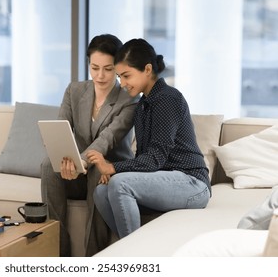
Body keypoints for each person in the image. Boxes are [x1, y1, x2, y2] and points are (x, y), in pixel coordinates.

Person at [86, 38, 211, 239]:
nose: (122, 84)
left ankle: (135, 259)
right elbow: (143, 159)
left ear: (147, 69)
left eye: (126, 76)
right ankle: (131, 246)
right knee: (101, 192)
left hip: (192, 183)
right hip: (164, 179)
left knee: (120, 184)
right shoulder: (143, 105)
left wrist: (114, 169)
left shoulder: (168, 98)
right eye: (119, 77)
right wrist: (114, 169)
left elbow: (155, 160)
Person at [41, 34, 138, 256]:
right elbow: (60, 128)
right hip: (78, 169)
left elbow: (108, 138)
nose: (100, 75)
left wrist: (83, 161)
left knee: (96, 172)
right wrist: (64, 159)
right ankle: (57, 254)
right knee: (48, 166)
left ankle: (94, 258)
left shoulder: (129, 99)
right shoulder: (74, 91)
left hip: (107, 168)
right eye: (94, 68)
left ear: (118, 67)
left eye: (108, 68)